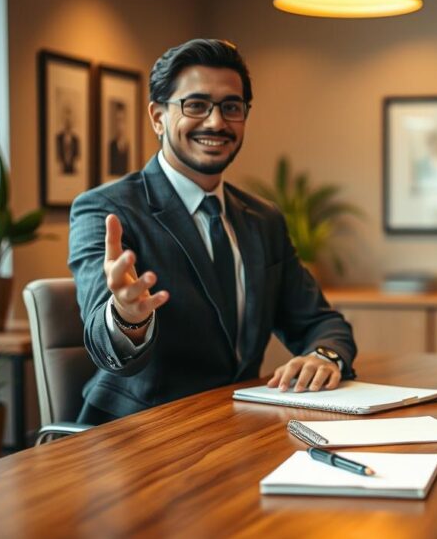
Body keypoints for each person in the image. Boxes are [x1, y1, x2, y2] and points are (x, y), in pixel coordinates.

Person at [69, 39, 357, 424]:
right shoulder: (107, 210)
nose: (216, 122)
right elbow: (109, 351)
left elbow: (321, 321)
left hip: (235, 427)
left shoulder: (262, 218)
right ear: (158, 116)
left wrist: (323, 356)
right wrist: (126, 316)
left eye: (231, 107)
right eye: (196, 105)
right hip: (138, 434)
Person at [56, 101, 80, 175]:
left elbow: (78, 160)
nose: (68, 120)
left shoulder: (76, 140)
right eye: (66, 116)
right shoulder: (58, 138)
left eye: (70, 116)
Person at [107, 100, 130, 176]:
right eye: (117, 121)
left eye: (122, 120)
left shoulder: (129, 147)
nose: (119, 125)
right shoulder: (111, 146)